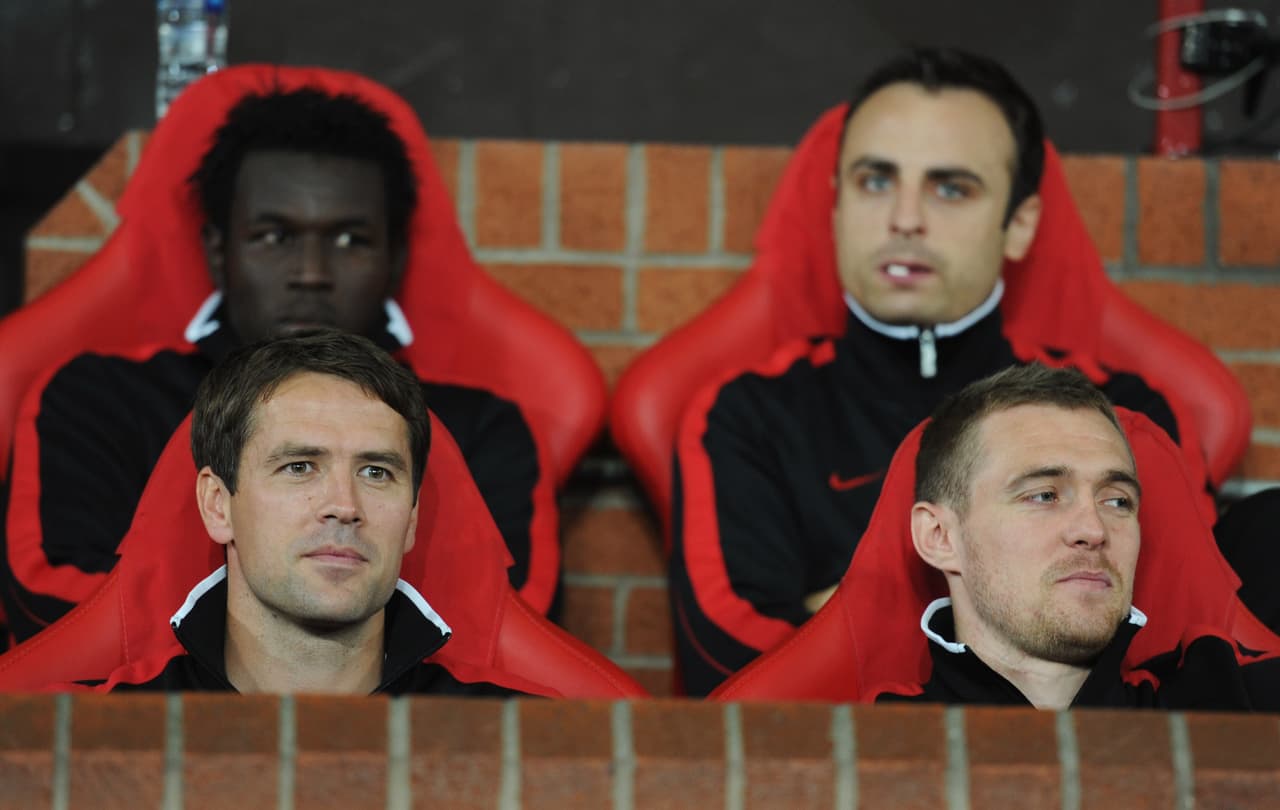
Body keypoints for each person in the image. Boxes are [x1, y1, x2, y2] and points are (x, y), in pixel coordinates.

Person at [669, 48, 1205, 695]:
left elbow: (1179, 639)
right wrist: (1015, 622)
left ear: (1019, 224)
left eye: (950, 188)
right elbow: (734, 665)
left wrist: (837, 607)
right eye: (875, 180)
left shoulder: (1121, 412)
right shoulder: (745, 413)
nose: (904, 218)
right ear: (836, 207)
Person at [0, 85, 545, 643]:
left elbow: (513, 627)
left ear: (394, 259)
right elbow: (52, 604)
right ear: (219, 251)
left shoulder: (478, 426)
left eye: (350, 239)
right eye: (274, 236)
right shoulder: (98, 398)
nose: (311, 271)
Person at [104, 330, 527, 693]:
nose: (344, 506)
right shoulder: (93, 733)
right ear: (218, 505)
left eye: (376, 472)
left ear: (412, 518)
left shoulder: (522, 741)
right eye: (300, 467)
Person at [875, 364, 1280, 710]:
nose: (1093, 530)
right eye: (1044, 495)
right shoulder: (863, 754)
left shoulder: (1233, 703)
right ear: (940, 536)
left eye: (1117, 502)